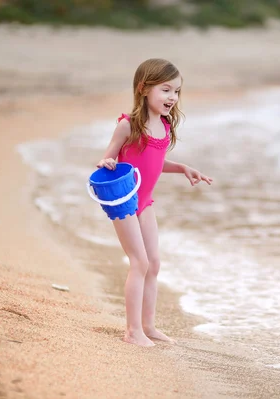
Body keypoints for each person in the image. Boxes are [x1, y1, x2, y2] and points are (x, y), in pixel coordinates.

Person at [96, 58, 212, 346]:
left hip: (145, 203)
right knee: (139, 262)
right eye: (166, 90)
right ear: (143, 89)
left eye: (176, 92)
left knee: (154, 263)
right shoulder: (128, 125)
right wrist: (107, 162)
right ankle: (132, 331)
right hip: (124, 201)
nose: (172, 97)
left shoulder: (164, 125)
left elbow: (155, 162)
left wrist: (183, 167)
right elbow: (107, 156)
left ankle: (148, 326)